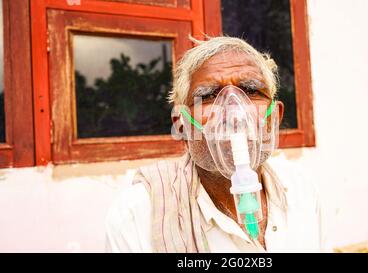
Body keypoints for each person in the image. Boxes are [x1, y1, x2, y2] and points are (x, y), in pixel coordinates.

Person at [105, 36, 324, 253]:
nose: (234, 113)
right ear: (181, 125)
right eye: (208, 96)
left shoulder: (301, 190)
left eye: (250, 91)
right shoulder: (137, 216)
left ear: (274, 118)